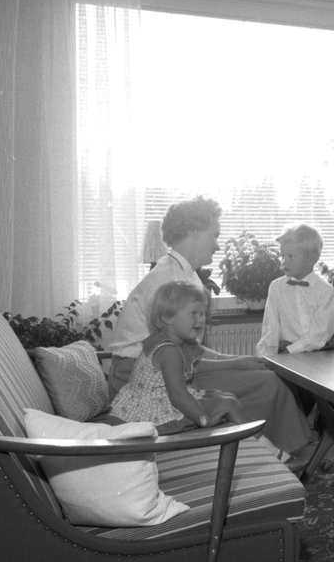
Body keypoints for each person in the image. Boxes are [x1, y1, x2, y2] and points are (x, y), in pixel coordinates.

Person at [106, 195, 315, 455]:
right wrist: (237, 362)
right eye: (214, 235)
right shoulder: (167, 280)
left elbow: (191, 350)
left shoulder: (184, 274)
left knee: (264, 377)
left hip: (167, 371)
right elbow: (179, 357)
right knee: (268, 383)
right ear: (194, 231)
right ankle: (277, 453)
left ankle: (270, 451)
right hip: (145, 382)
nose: (217, 245)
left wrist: (239, 360)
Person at [110, 281, 270, 436]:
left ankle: (258, 443)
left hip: (147, 404)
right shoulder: (169, 351)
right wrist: (205, 420)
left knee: (225, 397)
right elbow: (178, 396)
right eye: (193, 313)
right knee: (229, 404)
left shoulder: (161, 340)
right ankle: (267, 447)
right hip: (153, 414)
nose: (201, 320)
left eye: (202, 313)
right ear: (167, 317)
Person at [256, 223, 334, 359]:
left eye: (291, 256)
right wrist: (267, 357)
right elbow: (271, 329)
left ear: (311, 259)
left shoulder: (325, 292)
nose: (284, 262)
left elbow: (319, 334)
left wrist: (290, 352)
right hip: (287, 354)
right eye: (282, 256)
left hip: (321, 354)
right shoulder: (276, 287)